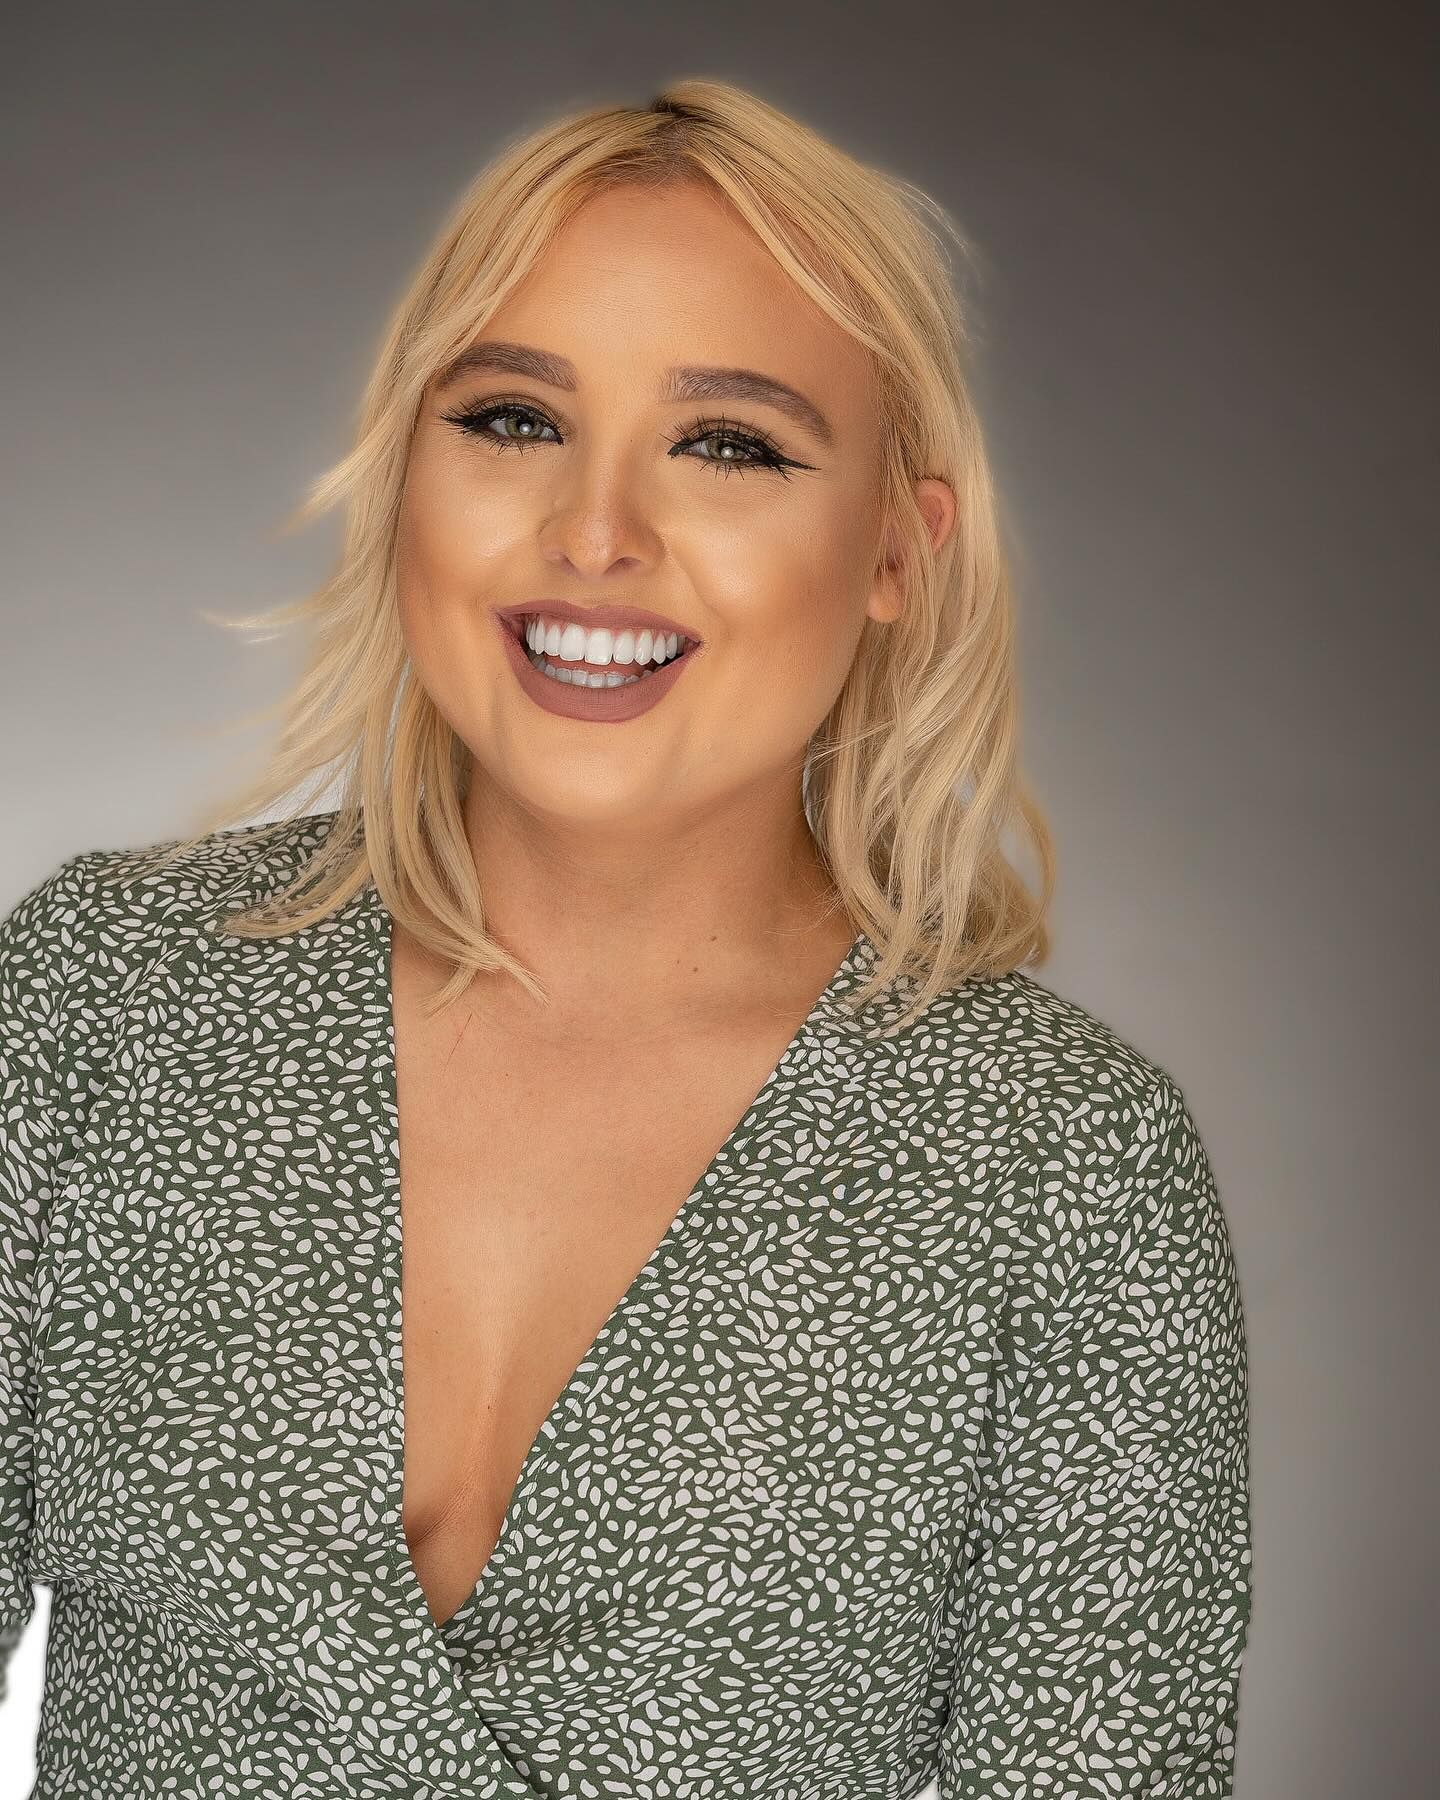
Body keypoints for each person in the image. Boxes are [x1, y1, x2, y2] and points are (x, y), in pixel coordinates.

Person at [0, 79, 1250, 1799]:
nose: (595, 535)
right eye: (513, 418)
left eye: (728, 444)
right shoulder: (107, 999)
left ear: (897, 548)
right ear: (407, 473)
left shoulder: (1066, 1171)